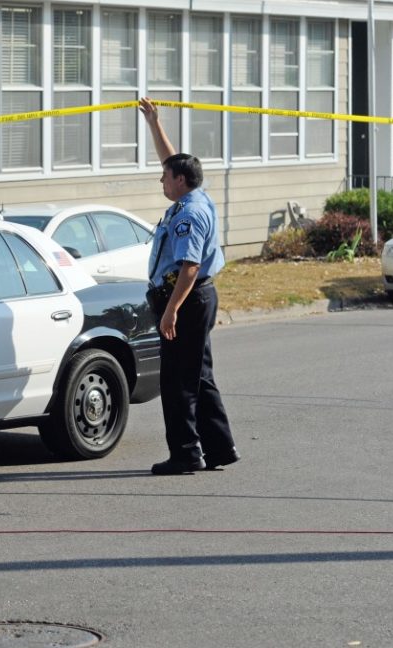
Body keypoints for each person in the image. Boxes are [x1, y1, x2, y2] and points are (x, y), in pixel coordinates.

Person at [138, 96, 239, 475]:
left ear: (180, 181)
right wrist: (154, 124)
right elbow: (174, 160)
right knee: (199, 375)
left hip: (187, 298)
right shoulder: (197, 194)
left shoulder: (191, 213)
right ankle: (219, 448)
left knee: (178, 380)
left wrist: (171, 310)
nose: (161, 181)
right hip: (195, 298)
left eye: (165, 178)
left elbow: (191, 265)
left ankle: (185, 453)